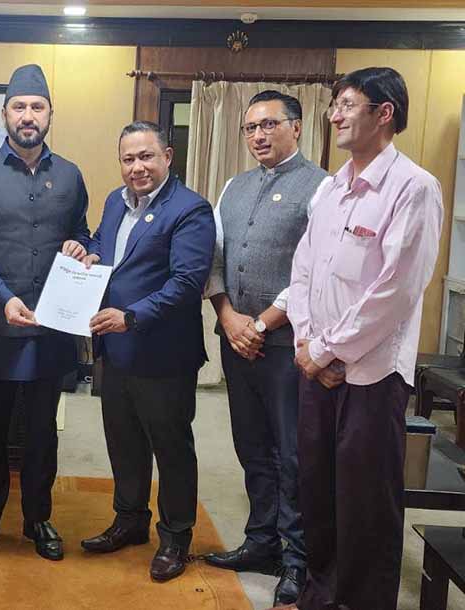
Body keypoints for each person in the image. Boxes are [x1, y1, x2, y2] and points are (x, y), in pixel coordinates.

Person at [281, 67, 443, 610]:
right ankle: (320, 595)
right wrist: (306, 343)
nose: (335, 116)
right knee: (318, 490)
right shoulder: (331, 188)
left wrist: (327, 350)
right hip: (316, 366)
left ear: (384, 113)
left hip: (371, 375)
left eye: (348, 105)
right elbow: (304, 269)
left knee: (365, 502)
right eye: (335, 106)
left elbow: (396, 290)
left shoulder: (414, 187)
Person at [0, 64, 90, 564]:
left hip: (50, 331)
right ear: (5, 115)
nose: (27, 115)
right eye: (19, 107)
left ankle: (38, 518)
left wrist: (82, 248)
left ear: (50, 114)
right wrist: (3, 296)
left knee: (41, 432)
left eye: (36, 106)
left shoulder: (70, 175)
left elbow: (83, 233)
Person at [201, 90, 327, 605]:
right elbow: (213, 258)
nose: (258, 135)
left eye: (269, 124)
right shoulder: (234, 186)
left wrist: (261, 322)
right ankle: (261, 542)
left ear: (296, 127)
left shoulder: (321, 187)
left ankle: (297, 559)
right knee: (250, 445)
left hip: (284, 345)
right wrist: (228, 317)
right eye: (251, 127)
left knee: (291, 453)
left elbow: (316, 270)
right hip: (235, 338)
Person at [80, 121, 215, 583]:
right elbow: (103, 243)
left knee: (171, 448)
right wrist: (88, 251)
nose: (137, 167)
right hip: (116, 350)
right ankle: (130, 520)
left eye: (146, 156)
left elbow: (186, 282)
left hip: (162, 355)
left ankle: (175, 538)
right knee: (123, 442)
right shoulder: (114, 202)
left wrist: (131, 316)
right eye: (128, 159)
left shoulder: (190, 209)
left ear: (167, 157)